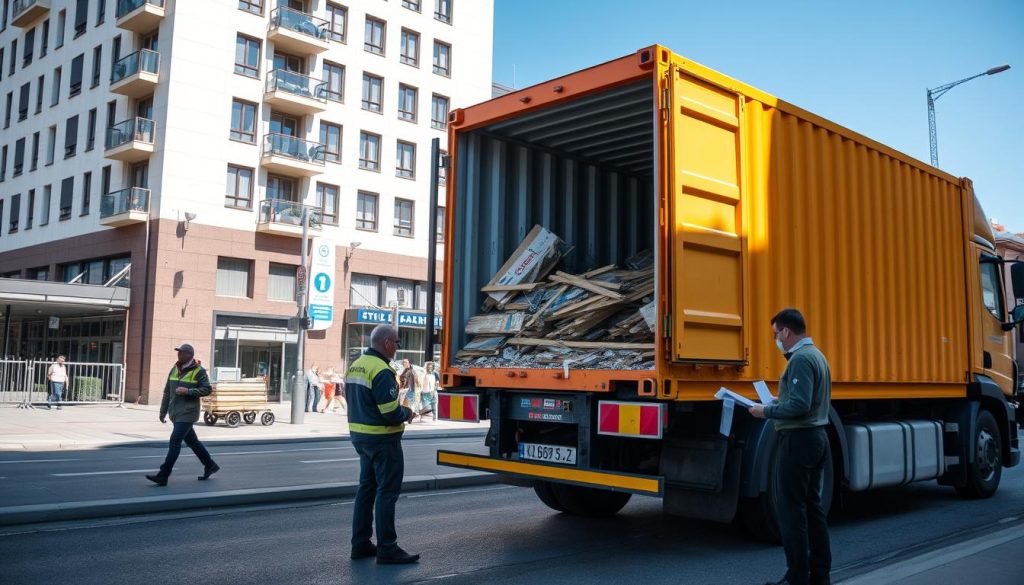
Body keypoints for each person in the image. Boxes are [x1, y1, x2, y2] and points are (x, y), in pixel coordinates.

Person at [749, 308, 832, 585]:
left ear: (786, 331)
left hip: (798, 440)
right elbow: (801, 399)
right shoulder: (818, 356)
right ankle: (819, 574)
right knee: (812, 508)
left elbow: (800, 405)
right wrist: (776, 401)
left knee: (792, 511)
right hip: (815, 438)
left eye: (776, 334)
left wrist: (766, 412)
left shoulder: (800, 360)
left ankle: (796, 577)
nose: (776, 340)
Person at [346, 324, 420, 564]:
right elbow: (389, 412)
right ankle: (388, 548)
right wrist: (406, 413)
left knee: (365, 491)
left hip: (361, 437)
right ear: (387, 343)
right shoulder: (382, 370)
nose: (398, 347)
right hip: (383, 439)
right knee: (387, 493)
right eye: (397, 343)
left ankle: (360, 544)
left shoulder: (357, 365)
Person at [146, 344, 220, 486]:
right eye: (178, 352)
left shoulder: (199, 371)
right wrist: (162, 411)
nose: (178, 354)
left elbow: (207, 389)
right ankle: (210, 465)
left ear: (189, 354)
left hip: (188, 413)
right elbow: (167, 392)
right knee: (193, 442)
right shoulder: (174, 369)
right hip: (175, 413)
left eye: (181, 352)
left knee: (175, 441)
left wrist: (188, 391)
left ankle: (163, 475)